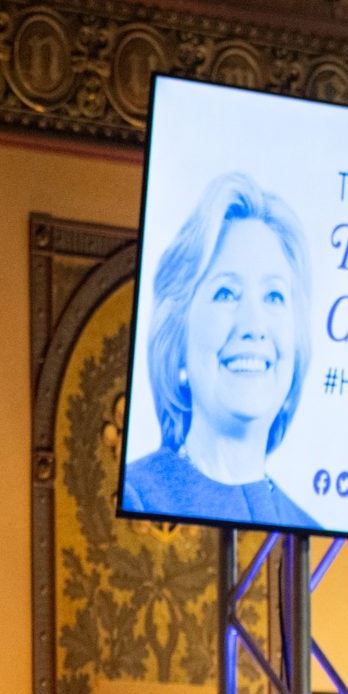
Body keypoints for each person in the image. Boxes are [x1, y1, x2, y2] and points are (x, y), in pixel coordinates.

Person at [121, 170, 319, 529]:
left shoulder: (308, 527)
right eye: (226, 293)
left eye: (274, 295)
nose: (253, 326)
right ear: (177, 337)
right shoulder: (140, 495)